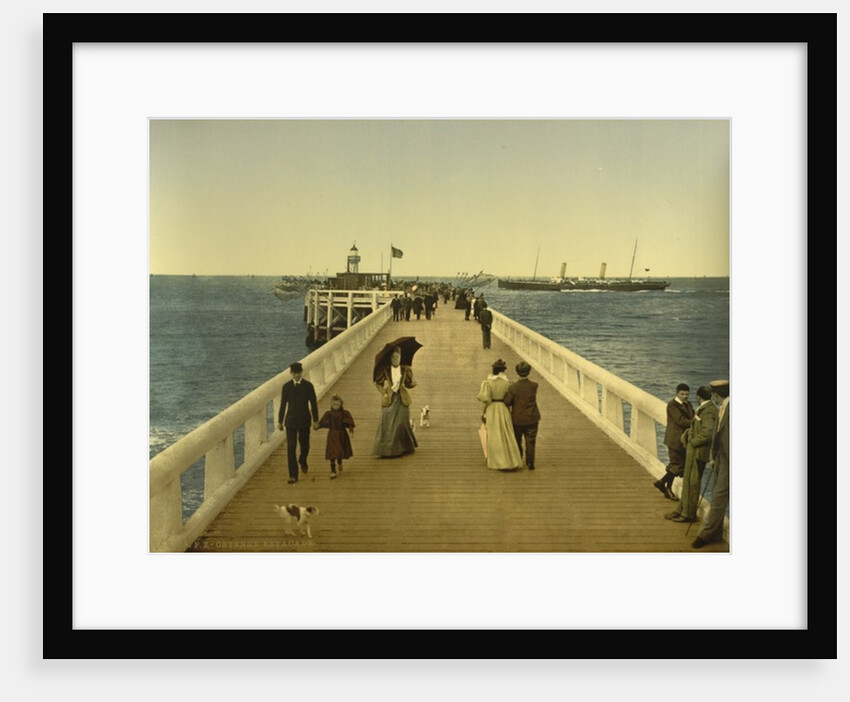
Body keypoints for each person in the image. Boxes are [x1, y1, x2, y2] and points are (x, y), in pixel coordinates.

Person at [665, 385, 717, 522]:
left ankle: (687, 515)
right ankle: (681, 510)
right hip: (692, 451)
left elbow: (707, 434)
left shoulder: (709, 411)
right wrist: (688, 434)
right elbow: (696, 426)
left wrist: (692, 442)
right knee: (688, 482)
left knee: (692, 484)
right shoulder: (705, 409)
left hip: (697, 451)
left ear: (698, 397)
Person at [692, 380, 730, 549]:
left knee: (719, 497)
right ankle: (714, 533)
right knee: (718, 495)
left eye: (713, 394)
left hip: (729, 460)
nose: (712, 397)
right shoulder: (722, 407)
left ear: (716, 394)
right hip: (721, 458)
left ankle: (705, 534)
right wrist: (713, 457)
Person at [277, 362, 320, 484]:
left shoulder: (308, 386)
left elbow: (313, 404)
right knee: (291, 448)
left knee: (305, 445)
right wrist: (280, 421)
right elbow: (283, 404)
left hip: (304, 420)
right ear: (291, 373)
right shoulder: (286, 387)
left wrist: (316, 420)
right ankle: (293, 475)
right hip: (290, 421)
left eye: (299, 373)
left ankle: (303, 459)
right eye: (295, 373)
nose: (297, 376)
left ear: (302, 373)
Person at [477, 359, 523, 471]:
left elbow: (485, 400)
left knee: (494, 435)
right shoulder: (507, 383)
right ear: (503, 371)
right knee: (507, 433)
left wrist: (482, 413)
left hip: (492, 408)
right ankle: (511, 459)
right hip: (503, 408)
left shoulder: (487, 383)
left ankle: (498, 461)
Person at [372, 346, 418, 457]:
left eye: (397, 357)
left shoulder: (405, 369)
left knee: (401, 423)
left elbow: (408, 383)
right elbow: (378, 384)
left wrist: (413, 384)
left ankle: (402, 447)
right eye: (393, 357)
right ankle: (387, 449)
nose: (395, 359)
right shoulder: (385, 370)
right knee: (387, 421)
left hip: (402, 397)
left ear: (400, 357)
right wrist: (384, 393)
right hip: (390, 397)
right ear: (390, 359)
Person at [653, 383, 694, 500]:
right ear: (677, 393)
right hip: (674, 440)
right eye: (682, 394)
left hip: (682, 440)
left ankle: (666, 487)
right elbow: (680, 421)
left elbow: (694, 416)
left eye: (687, 394)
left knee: (675, 465)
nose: (685, 396)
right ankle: (663, 484)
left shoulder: (688, 404)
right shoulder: (672, 405)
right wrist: (696, 423)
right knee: (677, 465)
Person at [505, 361, 542, 470]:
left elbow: (508, 402)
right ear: (529, 372)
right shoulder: (534, 385)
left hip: (518, 418)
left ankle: (518, 459)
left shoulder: (512, 387)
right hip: (532, 416)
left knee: (517, 440)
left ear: (517, 372)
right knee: (531, 440)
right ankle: (530, 463)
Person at [318, 394, 356, 479]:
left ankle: (339, 461)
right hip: (332, 435)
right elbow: (323, 422)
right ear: (331, 404)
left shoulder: (344, 413)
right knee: (332, 452)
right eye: (334, 405)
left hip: (341, 434)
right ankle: (333, 470)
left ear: (341, 404)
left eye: (337, 405)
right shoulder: (329, 414)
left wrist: (351, 431)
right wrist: (318, 426)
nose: (335, 406)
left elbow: (349, 423)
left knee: (339, 451)